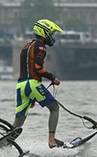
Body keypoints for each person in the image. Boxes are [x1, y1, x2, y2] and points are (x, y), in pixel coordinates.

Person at [12, 19, 65, 148]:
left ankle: (3, 145)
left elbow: (27, 67)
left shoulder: (26, 46)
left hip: (21, 86)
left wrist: (31, 96)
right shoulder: (41, 48)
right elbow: (37, 68)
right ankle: (52, 141)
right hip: (32, 84)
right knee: (54, 108)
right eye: (51, 34)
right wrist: (53, 78)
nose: (52, 37)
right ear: (45, 33)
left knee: (18, 122)